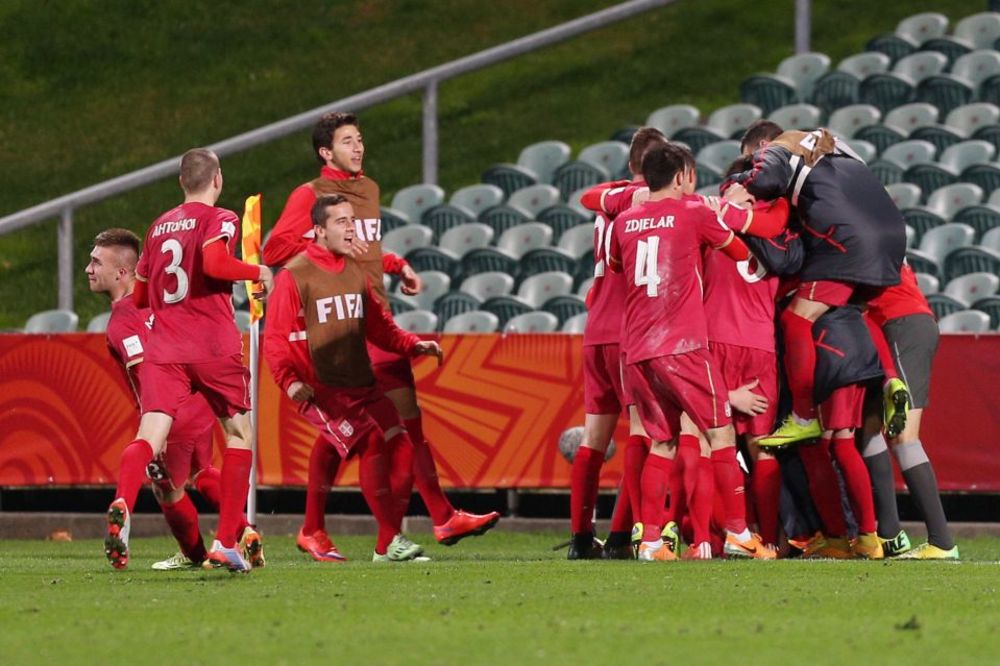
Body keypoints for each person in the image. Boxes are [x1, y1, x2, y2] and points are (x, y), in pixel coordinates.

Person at [263, 112, 498, 561]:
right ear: (325, 152)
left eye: (360, 139)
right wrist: (322, 252)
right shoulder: (310, 196)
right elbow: (274, 250)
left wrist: (394, 264)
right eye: (348, 141)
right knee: (382, 431)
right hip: (343, 328)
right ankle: (403, 529)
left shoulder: (366, 191)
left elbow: (365, 249)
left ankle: (419, 520)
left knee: (397, 430)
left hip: (374, 315)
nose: (359, 147)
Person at [104, 148, 274, 573]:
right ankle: (226, 543)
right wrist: (259, 273)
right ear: (217, 179)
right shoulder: (221, 218)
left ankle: (123, 500)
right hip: (211, 345)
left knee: (150, 432)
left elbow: (140, 297)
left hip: (166, 349)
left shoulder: (159, 226)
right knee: (239, 433)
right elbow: (214, 262)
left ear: (182, 182)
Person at [608, 143, 774, 561]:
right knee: (720, 433)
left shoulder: (624, 222)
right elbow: (739, 253)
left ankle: (649, 543)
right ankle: (738, 534)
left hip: (637, 350)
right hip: (681, 343)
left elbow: (615, 265)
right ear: (682, 176)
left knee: (661, 442)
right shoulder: (695, 212)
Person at [265, 194, 449, 561]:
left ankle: (320, 531)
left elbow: (380, 328)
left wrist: (414, 344)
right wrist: (288, 381)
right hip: (320, 386)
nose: (351, 228)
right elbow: (274, 336)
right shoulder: (295, 275)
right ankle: (389, 539)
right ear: (319, 231)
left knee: (400, 441)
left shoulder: (354, 271)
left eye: (352, 220)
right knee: (370, 441)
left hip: (360, 383)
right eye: (341, 222)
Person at [87, 228, 252, 570]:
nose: (89, 269)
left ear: (121, 272)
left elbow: (146, 371)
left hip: (170, 408)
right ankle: (245, 531)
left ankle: (191, 553)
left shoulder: (121, 322)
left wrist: (157, 424)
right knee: (204, 471)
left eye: (95, 262)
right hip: (202, 399)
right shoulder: (165, 297)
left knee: (168, 491)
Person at [741, 123, 910, 448]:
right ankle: (891, 381)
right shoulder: (836, 147)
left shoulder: (777, 151)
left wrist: (737, 186)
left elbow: (764, 180)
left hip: (849, 242)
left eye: (750, 159)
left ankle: (804, 417)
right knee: (856, 311)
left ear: (762, 145)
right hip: (890, 238)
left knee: (795, 319)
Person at [567, 127, 665, 560]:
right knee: (642, 433)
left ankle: (581, 538)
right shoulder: (658, 208)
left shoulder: (610, 200)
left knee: (594, 436)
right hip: (631, 331)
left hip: (596, 331)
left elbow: (589, 196)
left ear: (630, 166)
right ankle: (625, 535)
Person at [860, 264, 959, 559]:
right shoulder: (882, 235)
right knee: (868, 427)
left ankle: (942, 542)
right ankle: (889, 534)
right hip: (905, 323)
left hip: (902, 325)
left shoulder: (859, 237)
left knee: (904, 437)